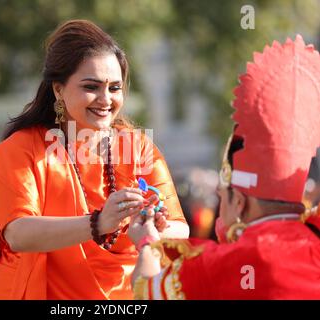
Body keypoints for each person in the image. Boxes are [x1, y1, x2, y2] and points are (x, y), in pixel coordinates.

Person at [0, 19, 189, 300]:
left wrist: (153, 229)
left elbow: (179, 227)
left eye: (115, 88)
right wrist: (99, 223)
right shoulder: (22, 149)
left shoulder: (138, 148)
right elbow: (18, 232)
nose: (105, 99)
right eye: (92, 87)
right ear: (58, 90)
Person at [129, 35, 320, 300]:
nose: (219, 205)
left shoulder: (229, 262)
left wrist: (146, 242)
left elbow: (146, 291)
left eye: (222, 195)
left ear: (239, 201)